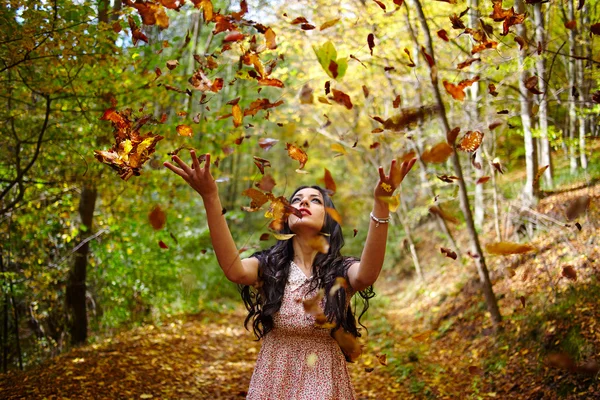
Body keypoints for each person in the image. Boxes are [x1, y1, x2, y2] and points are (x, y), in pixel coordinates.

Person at [164, 150, 415, 399]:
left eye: (315, 200)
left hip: (325, 382)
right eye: (297, 199)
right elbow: (234, 270)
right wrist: (210, 196)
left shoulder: (340, 269)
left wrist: (381, 204)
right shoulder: (269, 266)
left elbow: (367, 274)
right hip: (273, 383)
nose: (303, 202)